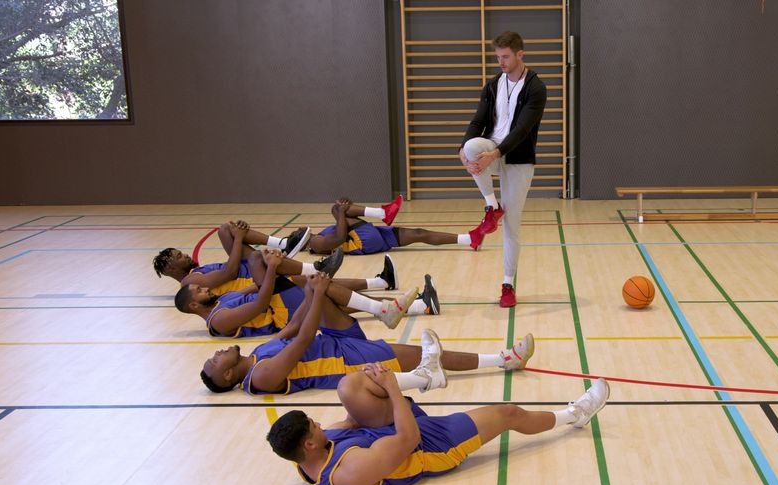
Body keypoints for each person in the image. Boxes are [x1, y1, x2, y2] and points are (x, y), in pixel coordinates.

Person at [266, 365, 609, 485]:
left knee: (350, 386)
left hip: (391, 432)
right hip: (428, 445)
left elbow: (351, 422)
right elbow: (409, 440)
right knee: (508, 413)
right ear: (309, 444)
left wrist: (373, 392)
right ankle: (576, 414)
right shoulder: (350, 473)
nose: (320, 424)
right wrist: (390, 388)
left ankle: (427, 372)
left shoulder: (307, 457)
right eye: (314, 425)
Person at [200, 274, 535, 395]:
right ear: (228, 375)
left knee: (320, 283)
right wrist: (313, 297)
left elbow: (291, 328)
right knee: (421, 356)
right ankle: (506, 360)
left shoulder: (257, 355)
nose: (217, 353)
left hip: (335, 340)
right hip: (346, 361)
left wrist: (312, 291)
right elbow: (301, 339)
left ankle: (382, 310)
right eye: (215, 361)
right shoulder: (260, 377)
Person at [459, 31, 547, 307]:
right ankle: (490, 206)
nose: (501, 62)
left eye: (506, 57)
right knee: (473, 146)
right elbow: (478, 120)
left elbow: (522, 130)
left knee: (512, 226)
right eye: (498, 57)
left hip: (517, 158)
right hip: (493, 149)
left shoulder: (536, 88)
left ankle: (508, 284)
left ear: (520, 54)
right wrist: (462, 151)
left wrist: (495, 153)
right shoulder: (493, 85)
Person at [175, 250, 419, 336]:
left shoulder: (220, 301)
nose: (205, 288)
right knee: (259, 259)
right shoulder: (218, 319)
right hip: (278, 314)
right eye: (199, 291)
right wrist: (271, 270)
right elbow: (259, 305)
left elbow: (250, 291)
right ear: (194, 306)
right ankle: (383, 307)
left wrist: (266, 279)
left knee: (330, 294)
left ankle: (417, 305)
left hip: (276, 301)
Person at [152, 220, 349, 296]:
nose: (186, 255)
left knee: (225, 229)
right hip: (253, 276)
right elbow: (230, 272)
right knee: (331, 286)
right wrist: (238, 239)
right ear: (171, 269)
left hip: (246, 268)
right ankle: (315, 269)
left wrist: (236, 236)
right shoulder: (190, 281)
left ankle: (284, 244)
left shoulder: (195, 274)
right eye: (180, 256)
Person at [284, 197, 481, 255]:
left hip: (371, 236)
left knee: (418, 233)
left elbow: (345, 227)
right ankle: (383, 213)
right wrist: (341, 213)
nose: (298, 228)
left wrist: (347, 206)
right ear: (299, 241)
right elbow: (338, 239)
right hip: (362, 242)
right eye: (295, 232)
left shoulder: (317, 237)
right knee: (336, 208)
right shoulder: (315, 244)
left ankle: (469, 240)